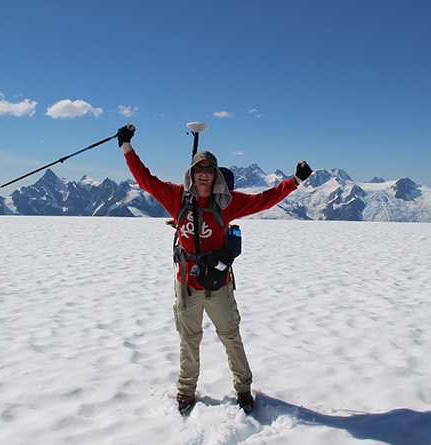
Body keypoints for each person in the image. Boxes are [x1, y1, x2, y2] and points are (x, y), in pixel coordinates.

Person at [117, 125, 312, 414]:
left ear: (216, 174)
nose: (204, 173)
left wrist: (295, 181)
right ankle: (185, 391)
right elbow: (145, 180)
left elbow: (263, 200)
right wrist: (126, 148)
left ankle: (243, 389)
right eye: (199, 168)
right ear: (192, 174)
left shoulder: (226, 202)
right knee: (189, 340)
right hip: (187, 286)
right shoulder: (176, 198)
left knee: (230, 336)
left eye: (209, 168)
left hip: (219, 285)